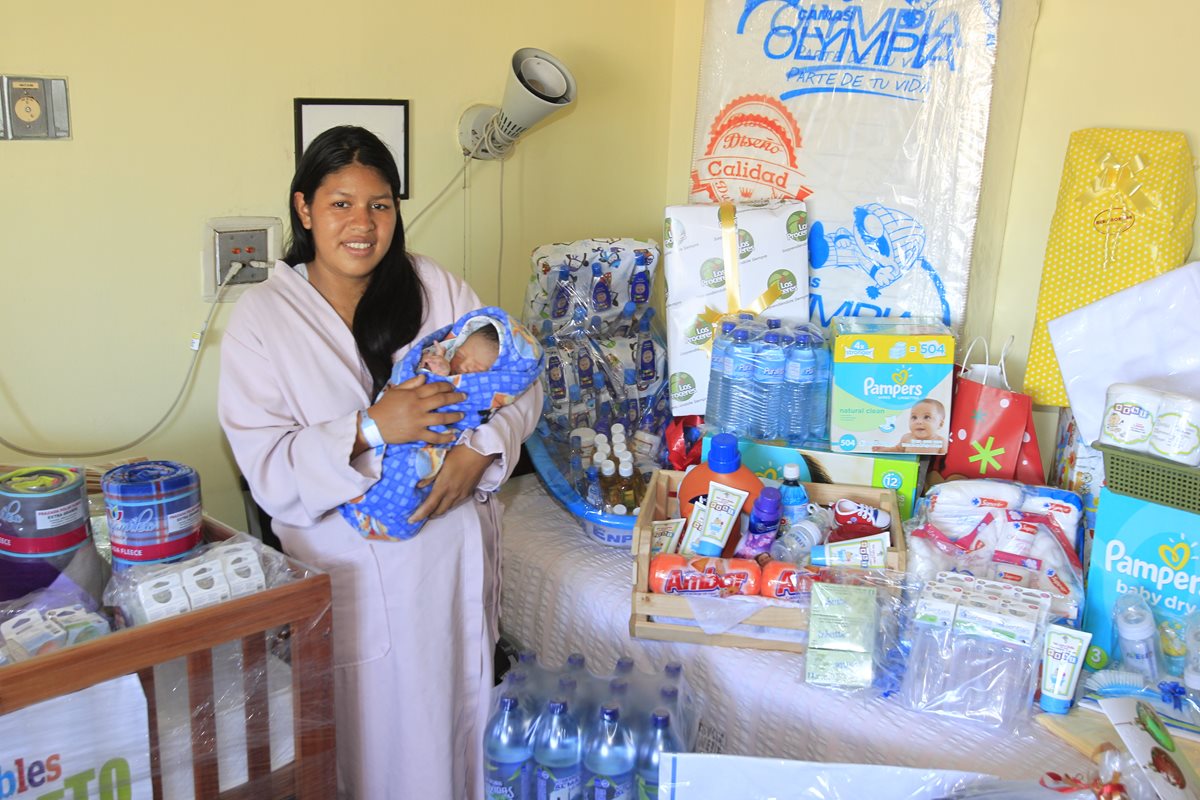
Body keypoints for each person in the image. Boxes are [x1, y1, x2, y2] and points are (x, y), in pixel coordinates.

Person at [217, 125, 542, 799]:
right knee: (374, 757)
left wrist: (478, 451)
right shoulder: (264, 319)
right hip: (352, 577)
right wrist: (370, 427)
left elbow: (522, 383)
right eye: (341, 204)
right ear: (304, 209)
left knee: (458, 741)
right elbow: (268, 466)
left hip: (448, 572)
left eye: (380, 204)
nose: (362, 224)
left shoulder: (434, 287)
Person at [340, 307, 543, 542]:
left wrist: (481, 449)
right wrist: (431, 372)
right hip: (340, 532)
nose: (464, 367)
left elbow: (525, 391)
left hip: (454, 524)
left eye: (478, 369)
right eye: (461, 356)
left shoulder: (478, 318)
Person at [874, 398, 947, 453]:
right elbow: (898, 450)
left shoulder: (941, 442)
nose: (919, 422)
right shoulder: (907, 438)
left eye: (927, 417)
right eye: (914, 417)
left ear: (940, 424)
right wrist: (884, 450)